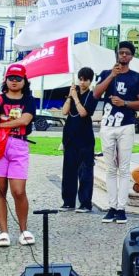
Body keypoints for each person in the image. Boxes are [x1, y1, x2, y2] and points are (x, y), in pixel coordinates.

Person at [93, 41, 139, 225]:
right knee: (110, 168)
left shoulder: (137, 78)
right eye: (120, 52)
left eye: (126, 53)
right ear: (116, 55)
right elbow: (95, 94)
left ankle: (121, 208)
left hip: (126, 125)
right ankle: (111, 206)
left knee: (123, 169)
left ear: (131, 56)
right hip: (108, 125)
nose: (123, 56)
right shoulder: (106, 73)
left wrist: (124, 103)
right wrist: (111, 76)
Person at [0, 63, 37, 247]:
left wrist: (0, 125)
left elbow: (24, 120)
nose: (14, 81)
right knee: (0, 190)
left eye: (18, 78)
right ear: (5, 79)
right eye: (11, 78)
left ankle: (24, 229)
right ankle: (3, 231)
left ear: (24, 81)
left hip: (19, 144)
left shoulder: (29, 100)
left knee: (18, 190)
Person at [60, 66, 96, 212]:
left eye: (85, 80)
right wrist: (70, 96)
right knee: (68, 170)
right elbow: (64, 111)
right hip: (70, 137)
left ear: (90, 81)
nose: (82, 82)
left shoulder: (91, 95)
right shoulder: (73, 93)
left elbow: (83, 113)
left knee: (85, 171)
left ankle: (85, 202)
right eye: (80, 79)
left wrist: (75, 98)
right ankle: (68, 201)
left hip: (85, 138)